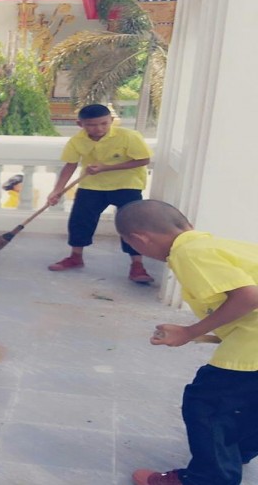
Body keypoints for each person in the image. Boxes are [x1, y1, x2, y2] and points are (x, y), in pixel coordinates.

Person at [115, 200, 258, 485]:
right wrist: (209, 333)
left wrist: (190, 332)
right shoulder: (215, 245)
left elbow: (249, 297)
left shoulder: (188, 253)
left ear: (139, 239)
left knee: (206, 403)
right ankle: (235, 452)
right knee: (249, 401)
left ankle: (208, 478)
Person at [46, 104, 154, 283]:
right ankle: (75, 257)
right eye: (91, 125)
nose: (99, 129)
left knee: (131, 225)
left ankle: (137, 265)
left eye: (104, 123)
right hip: (91, 185)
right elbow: (70, 165)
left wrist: (106, 168)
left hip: (127, 185)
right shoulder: (76, 141)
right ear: (80, 124)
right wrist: (57, 190)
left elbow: (143, 160)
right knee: (80, 220)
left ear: (111, 120)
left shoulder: (129, 136)